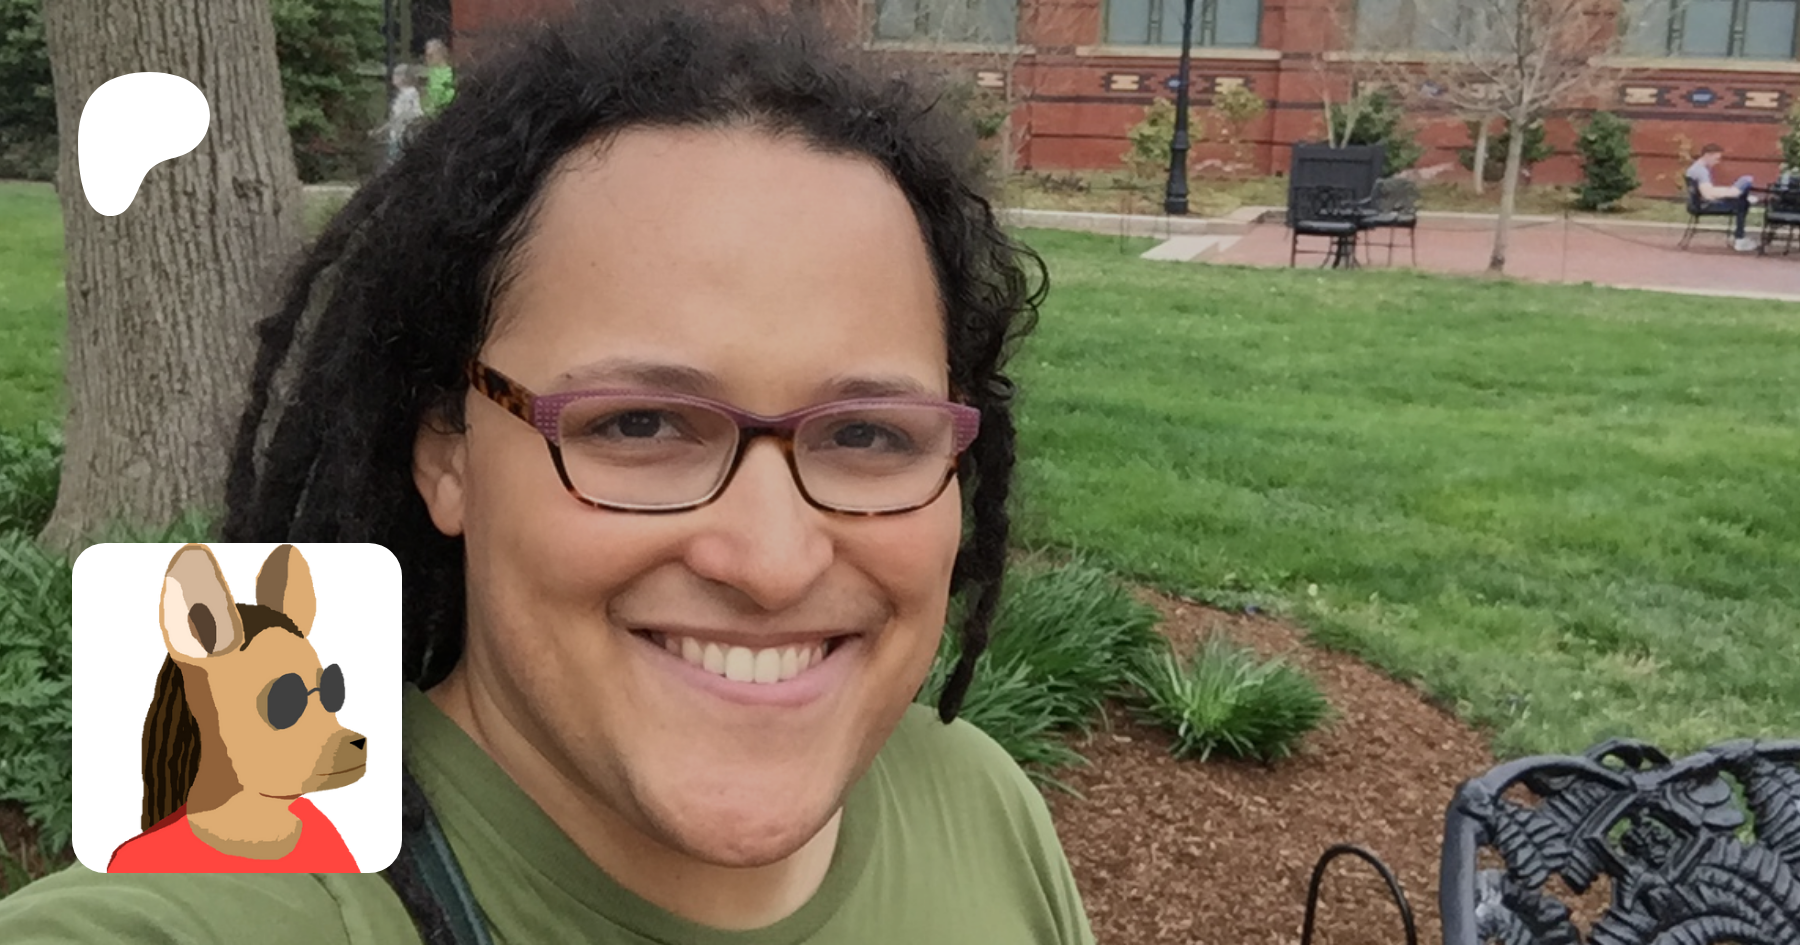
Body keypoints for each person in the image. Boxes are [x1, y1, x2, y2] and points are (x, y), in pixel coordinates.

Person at [0, 3, 1093, 944]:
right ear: (447, 450)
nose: (771, 560)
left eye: (867, 434)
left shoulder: (977, 807)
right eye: (640, 423)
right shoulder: (234, 910)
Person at [1685, 143, 1758, 252]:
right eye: (1716, 159)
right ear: (1707, 155)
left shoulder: (1695, 169)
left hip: (1697, 203)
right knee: (1742, 205)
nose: (1717, 162)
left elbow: (1707, 190)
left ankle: (1740, 237)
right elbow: (1708, 194)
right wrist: (1731, 193)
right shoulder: (1701, 171)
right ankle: (1739, 239)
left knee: (1740, 200)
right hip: (1703, 206)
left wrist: (1728, 192)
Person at [374, 64, 425, 166]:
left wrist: (382, 129)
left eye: (396, 74)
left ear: (404, 78)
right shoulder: (406, 94)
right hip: (399, 134)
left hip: (401, 136)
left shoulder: (408, 95)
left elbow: (402, 116)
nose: (393, 77)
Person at [421, 38, 455, 117]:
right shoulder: (432, 71)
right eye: (426, 56)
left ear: (439, 54)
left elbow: (448, 95)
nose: (427, 59)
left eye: (431, 56)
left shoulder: (449, 74)